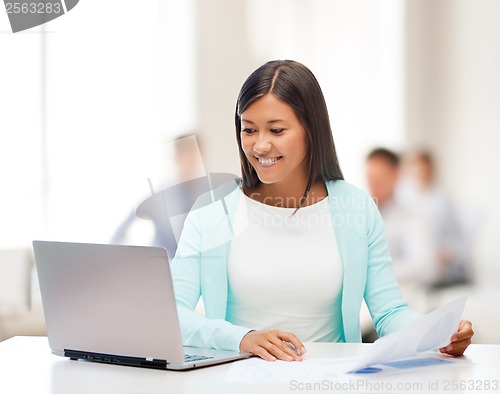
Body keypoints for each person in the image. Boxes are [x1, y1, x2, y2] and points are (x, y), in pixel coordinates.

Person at [171, 60, 474, 362]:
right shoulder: (211, 212)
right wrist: (242, 338)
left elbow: (389, 312)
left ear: (311, 129)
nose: (260, 145)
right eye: (249, 129)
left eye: (276, 130)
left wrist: (438, 333)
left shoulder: (356, 208)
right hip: (238, 381)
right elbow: (173, 312)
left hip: (330, 382)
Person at [365, 148, 438, 286]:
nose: (373, 187)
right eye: (370, 180)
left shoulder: (412, 218)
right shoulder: (360, 216)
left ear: (395, 176)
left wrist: (372, 272)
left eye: (378, 180)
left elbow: (424, 266)